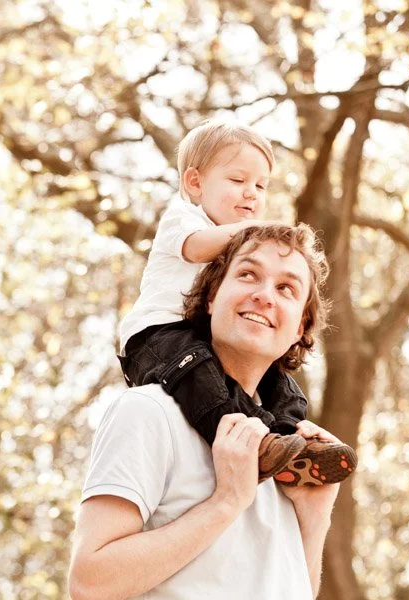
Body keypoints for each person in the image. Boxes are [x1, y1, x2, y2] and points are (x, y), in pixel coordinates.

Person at [68, 224, 347, 599]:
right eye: (248, 274)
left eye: (286, 289)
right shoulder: (148, 412)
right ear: (213, 296)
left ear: (300, 327)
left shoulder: (287, 450)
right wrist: (226, 502)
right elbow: (89, 583)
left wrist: (314, 520)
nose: (265, 296)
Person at [118, 120, 356, 484]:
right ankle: (253, 443)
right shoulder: (183, 218)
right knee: (199, 374)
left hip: (197, 334)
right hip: (157, 336)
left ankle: (292, 439)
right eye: (238, 181)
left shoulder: (237, 242)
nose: (251, 194)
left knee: (282, 382)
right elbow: (197, 247)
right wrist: (255, 231)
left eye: (260, 186)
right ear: (195, 183)